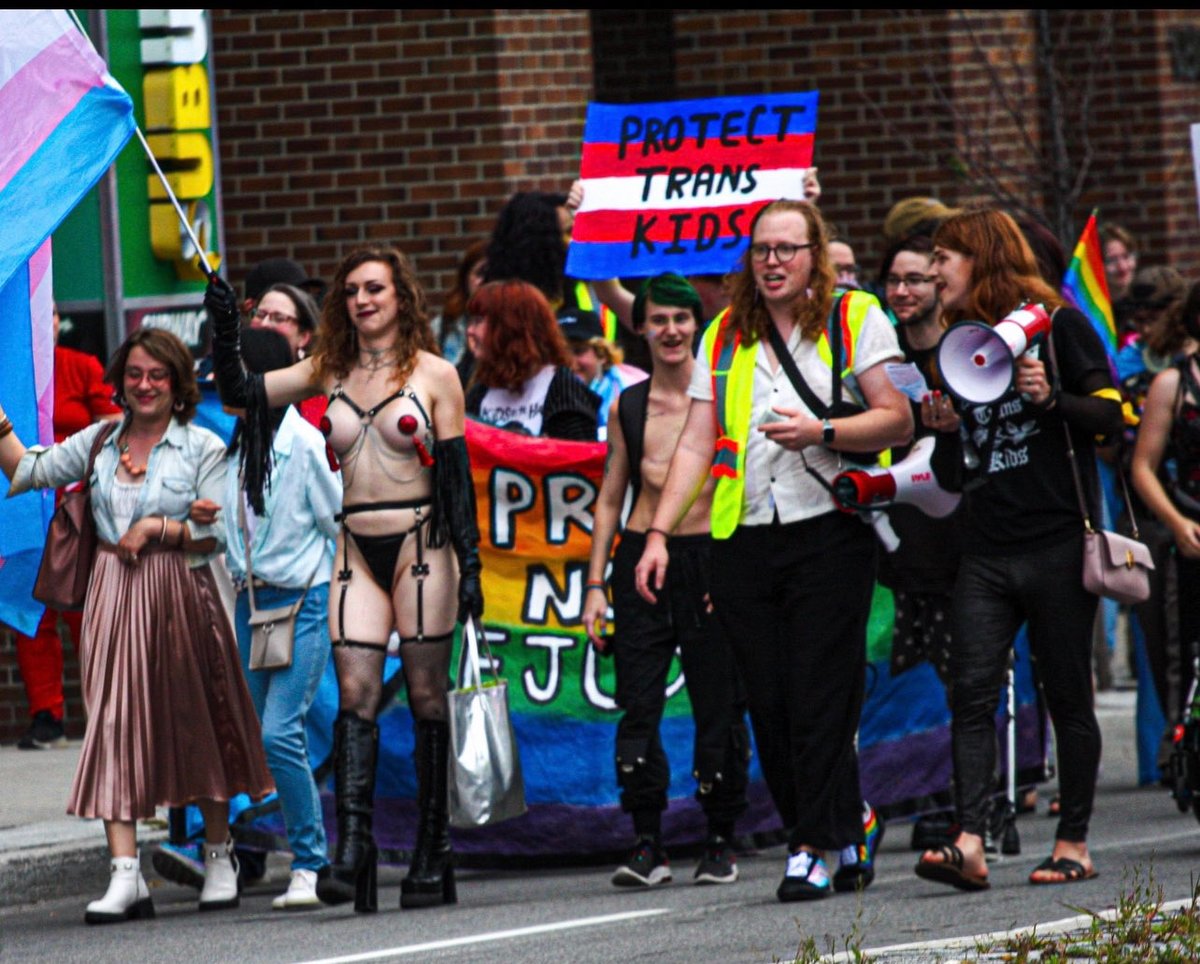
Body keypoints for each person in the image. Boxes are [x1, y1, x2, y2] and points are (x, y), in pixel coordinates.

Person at [635, 199, 912, 901]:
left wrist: (821, 431)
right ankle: (850, 823)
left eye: (788, 249)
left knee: (821, 693)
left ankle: (811, 844)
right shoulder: (726, 333)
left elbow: (896, 416)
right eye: (762, 249)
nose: (773, 261)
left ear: (815, 256)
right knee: (770, 700)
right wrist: (660, 535)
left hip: (830, 529)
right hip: (743, 537)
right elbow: (697, 441)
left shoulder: (856, 318)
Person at [207, 244, 482, 913]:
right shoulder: (326, 369)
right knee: (356, 694)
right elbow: (243, 392)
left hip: (424, 541)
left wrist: (470, 567)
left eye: (376, 289)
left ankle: (431, 849)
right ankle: (353, 848)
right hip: (356, 543)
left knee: (424, 698)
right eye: (352, 290)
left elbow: (455, 478)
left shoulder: (437, 374)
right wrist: (221, 327)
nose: (363, 300)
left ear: (401, 298)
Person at [0, 326, 274, 924]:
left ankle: (220, 852)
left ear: (177, 387)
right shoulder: (100, 442)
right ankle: (125, 874)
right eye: (134, 374)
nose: (144, 385)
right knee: (111, 725)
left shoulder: (202, 447)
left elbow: (219, 534)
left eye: (157, 376)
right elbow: (27, 470)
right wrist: (0, 425)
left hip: (184, 591)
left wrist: (161, 528)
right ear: (120, 382)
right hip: (112, 594)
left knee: (197, 719)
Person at [913, 208, 1122, 891]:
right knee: (971, 691)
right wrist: (942, 428)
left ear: (982, 257)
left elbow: (1114, 419)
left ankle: (1074, 842)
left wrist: (1052, 398)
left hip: (1058, 542)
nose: (934, 270)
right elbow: (952, 476)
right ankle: (969, 840)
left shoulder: (1058, 325)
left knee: (1066, 694)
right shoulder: (954, 345)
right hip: (986, 551)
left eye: (945, 256)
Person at [582, 273, 749, 889]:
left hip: (709, 559)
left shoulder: (726, 399)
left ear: (697, 325)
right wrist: (596, 585)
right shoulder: (628, 403)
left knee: (718, 704)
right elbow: (609, 499)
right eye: (659, 320)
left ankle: (720, 839)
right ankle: (647, 843)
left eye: (682, 319)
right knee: (639, 703)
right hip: (639, 566)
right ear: (641, 326)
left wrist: (732, 567)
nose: (671, 330)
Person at [195, 327, 342, 910]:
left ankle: (311, 861)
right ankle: (307, 856)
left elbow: (338, 519)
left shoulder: (303, 442)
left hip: (302, 598)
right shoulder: (237, 446)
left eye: (232, 377)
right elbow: (236, 533)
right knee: (271, 737)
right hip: (251, 603)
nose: (221, 389)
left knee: (281, 731)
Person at [11, 304, 121, 750]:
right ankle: (46, 714)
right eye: (40, 313)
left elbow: (115, 425)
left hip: (75, 507)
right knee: (30, 611)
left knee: (84, 610)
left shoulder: (81, 366)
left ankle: (103, 710)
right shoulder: (10, 369)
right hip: (22, 506)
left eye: (53, 313)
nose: (48, 321)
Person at [1131, 280, 1200, 740]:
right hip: (1191, 525)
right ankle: (1185, 742)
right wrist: (1177, 523)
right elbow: (1143, 467)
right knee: (1183, 646)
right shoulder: (1173, 382)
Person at [464, 279, 600, 441]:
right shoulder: (479, 392)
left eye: (478, 321)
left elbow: (579, 460)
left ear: (509, 327)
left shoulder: (563, 390)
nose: (470, 331)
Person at [558, 307, 645, 440]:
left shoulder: (633, 385)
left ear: (602, 354)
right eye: (561, 354)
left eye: (578, 351)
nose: (570, 362)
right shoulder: (542, 390)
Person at [433, 239, 486, 366]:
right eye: (480, 273)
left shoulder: (511, 324)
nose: (485, 281)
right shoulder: (443, 327)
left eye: (492, 274)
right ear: (465, 278)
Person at [1100, 223, 1138, 306]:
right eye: (1111, 260)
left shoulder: (1148, 304)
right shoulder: (1086, 313)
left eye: (1126, 256)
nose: (1122, 267)